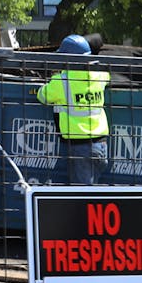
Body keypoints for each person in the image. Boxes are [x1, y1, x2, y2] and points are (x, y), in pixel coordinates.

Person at [36, 34, 110, 185]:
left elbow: (42, 96)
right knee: (92, 189)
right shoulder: (100, 75)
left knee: (83, 195)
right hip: (101, 144)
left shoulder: (62, 81)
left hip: (79, 147)